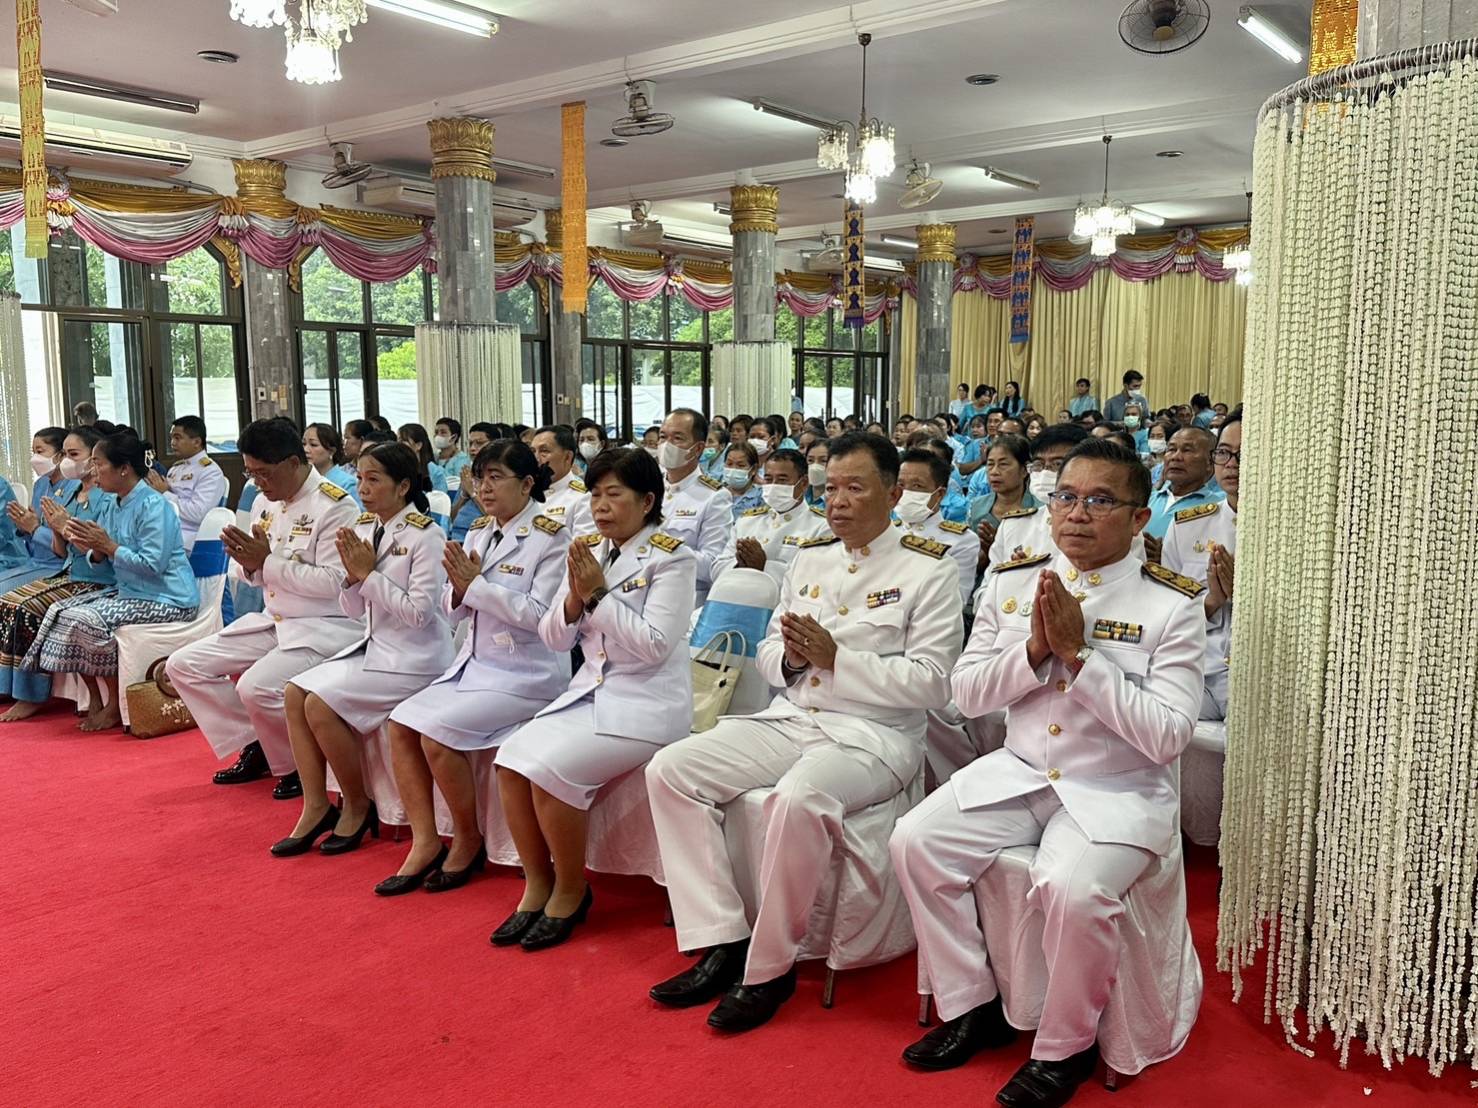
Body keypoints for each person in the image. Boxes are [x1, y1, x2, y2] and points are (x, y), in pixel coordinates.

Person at [889, 437, 1206, 1107]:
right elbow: (967, 694)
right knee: (914, 842)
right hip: (1022, 770)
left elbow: (1169, 737)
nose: (1077, 515)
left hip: (1117, 787)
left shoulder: (1170, 605)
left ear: (1139, 519)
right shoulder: (1012, 581)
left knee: (1071, 888)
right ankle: (972, 1003)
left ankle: (1064, 1046)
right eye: (1065, 497)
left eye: (1100, 501)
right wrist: (1035, 649)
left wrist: (1082, 660)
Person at [645, 431, 962, 1030]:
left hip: (874, 737)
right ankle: (721, 938)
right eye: (831, 488)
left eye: (854, 488)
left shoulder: (928, 569)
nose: (837, 501)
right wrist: (793, 661)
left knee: (799, 797)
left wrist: (836, 659)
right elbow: (770, 654)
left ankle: (770, 968)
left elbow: (932, 683)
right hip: (793, 717)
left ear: (894, 494)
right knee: (672, 769)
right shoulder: (811, 557)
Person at [491, 448, 697, 950]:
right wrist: (574, 599)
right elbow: (556, 639)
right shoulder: (590, 549)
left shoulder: (673, 556)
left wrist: (600, 596)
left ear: (647, 501)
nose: (601, 507)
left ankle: (571, 887)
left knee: (551, 771)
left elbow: (652, 646)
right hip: (590, 693)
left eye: (614, 495)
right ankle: (537, 882)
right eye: (595, 495)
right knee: (510, 761)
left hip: (646, 705)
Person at [378, 440, 571, 895]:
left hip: (527, 673)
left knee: (437, 736)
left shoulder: (552, 537)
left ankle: (467, 837)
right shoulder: (481, 530)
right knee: (399, 724)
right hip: (477, 663)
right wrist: (462, 591)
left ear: (527, 484)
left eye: (496, 477)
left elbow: (542, 616)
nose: (484, 488)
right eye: (479, 477)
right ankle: (426, 840)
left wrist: (476, 587)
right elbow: (453, 608)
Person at [270, 442, 453, 857]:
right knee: (293, 692)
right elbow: (352, 608)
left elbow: (419, 614)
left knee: (318, 704)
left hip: (414, 657)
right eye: (360, 478)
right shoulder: (368, 527)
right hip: (374, 645)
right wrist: (354, 581)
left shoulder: (427, 534)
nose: (363, 488)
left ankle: (356, 802)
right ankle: (316, 805)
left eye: (374, 479)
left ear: (404, 485)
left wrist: (367, 575)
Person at [167, 418, 363, 798]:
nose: (257, 482)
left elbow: (336, 582)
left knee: (257, 687)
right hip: (275, 619)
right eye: (250, 472)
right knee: (183, 665)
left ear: (292, 463)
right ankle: (258, 742)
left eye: (264, 473)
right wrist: (253, 562)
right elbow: (244, 567)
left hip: (323, 625)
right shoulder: (263, 501)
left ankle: (296, 764)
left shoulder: (336, 506)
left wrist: (268, 562)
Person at [21, 431, 198, 732]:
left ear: (124, 469)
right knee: (60, 612)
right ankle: (95, 699)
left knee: (85, 620)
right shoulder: (117, 502)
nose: (93, 471)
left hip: (167, 598)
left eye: (98, 464)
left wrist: (109, 547)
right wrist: (89, 544)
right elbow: (100, 554)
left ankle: (115, 705)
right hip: (131, 593)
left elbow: (153, 566)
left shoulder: (154, 506)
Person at [0, 427, 110, 722]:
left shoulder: (106, 496)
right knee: (9, 601)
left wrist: (50, 527)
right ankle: (6, 686)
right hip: (68, 569)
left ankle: (30, 694)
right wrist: (49, 526)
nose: (65, 461)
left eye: (73, 455)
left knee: (24, 608)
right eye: (64, 455)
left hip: (96, 578)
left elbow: (97, 552)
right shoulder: (72, 492)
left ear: (95, 457)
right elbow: (62, 550)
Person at [1162, 410, 1240, 720]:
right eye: (1224, 453)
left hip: (1261, 678)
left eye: (1243, 454)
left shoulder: (1292, 531)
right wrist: (1211, 601)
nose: (1232, 464)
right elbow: (1166, 611)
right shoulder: (1188, 526)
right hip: (1199, 675)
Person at [713, 448, 829, 585]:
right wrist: (740, 565)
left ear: (803, 483)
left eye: (782, 480)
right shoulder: (747, 521)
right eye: (768, 479)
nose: (773, 486)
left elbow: (814, 579)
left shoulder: (821, 526)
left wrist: (764, 566)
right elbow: (716, 569)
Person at [656, 407, 732, 608]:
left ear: (698, 448)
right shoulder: (649, 488)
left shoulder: (714, 497)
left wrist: (661, 546)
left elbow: (711, 566)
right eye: (663, 437)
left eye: (677, 439)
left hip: (685, 602)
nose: (666, 445)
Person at [985, 424, 1089, 569]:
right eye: (1039, 463)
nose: (1045, 472)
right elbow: (987, 587)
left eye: (1057, 464)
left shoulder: (1100, 524)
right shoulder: (1013, 526)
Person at [896, 448, 980, 611]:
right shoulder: (885, 532)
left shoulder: (962, 541)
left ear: (940, 494)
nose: (905, 492)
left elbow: (954, 602)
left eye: (917, 486)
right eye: (901, 485)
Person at [4, 427, 78, 594]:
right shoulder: (41, 484)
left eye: (40, 451)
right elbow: (32, 529)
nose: (35, 458)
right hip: (35, 561)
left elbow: (68, 544)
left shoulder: (75, 487)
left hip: (59, 566)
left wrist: (35, 528)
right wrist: (24, 525)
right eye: (33, 452)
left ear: (60, 455)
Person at [141, 416, 227, 553]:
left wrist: (164, 493)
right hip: (165, 530)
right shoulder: (176, 468)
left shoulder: (210, 472)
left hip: (188, 539)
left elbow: (198, 513)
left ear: (197, 442)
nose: (172, 443)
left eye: (178, 438)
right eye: (171, 438)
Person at [965, 434, 1038, 568]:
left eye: (1003, 464)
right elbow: (971, 565)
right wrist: (988, 551)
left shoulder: (1039, 509)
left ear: (1024, 470)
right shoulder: (977, 507)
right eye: (990, 464)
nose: (994, 472)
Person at [1144, 426, 1223, 549]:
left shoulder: (1218, 508)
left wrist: (1167, 559)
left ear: (1209, 462)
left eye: (1187, 450)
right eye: (1171, 449)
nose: (1175, 457)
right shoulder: (1147, 499)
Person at [530, 424, 591, 532]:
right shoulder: (525, 492)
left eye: (544, 451)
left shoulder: (582, 498)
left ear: (567, 457)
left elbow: (581, 547)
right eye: (533, 451)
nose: (536, 458)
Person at [450, 422, 500, 542]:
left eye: (479, 443)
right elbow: (453, 517)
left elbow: (496, 516)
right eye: (470, 443)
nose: (472, 448)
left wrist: (472, 492)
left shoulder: (499, 476)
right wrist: (464, 495)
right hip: (456, 536)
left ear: (495, 444)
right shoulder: (469, 475)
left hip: (481, 537)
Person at [303, 422, 360, 506]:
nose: (305, 449)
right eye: (303, 444)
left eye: (313, 445)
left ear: (331, 451)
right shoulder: (303, 480)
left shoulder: (347, 483)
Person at [399, 422, 450, 494]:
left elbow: (440, 500)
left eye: (402, 441)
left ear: (418, 445)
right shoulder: (397, 468)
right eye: (397, 441)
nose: (398, 445)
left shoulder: (435, 472)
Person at [720, 442, 764, 518]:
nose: (733, 469)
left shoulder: (761, 497)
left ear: (753, 469)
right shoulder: (716, 492)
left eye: (741, 465)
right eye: (729, 464)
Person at [434, 417, 472, 485]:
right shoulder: (434, 456)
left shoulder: (462, 459)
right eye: (436, 432)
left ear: (454, 437)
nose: (438, 436)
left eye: (443, 432)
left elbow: (460, 486)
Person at [804, 439, 829, 509]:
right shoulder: (799, 494)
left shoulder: (837, 501)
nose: (815, 466)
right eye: (810, 460)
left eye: (823, 461)